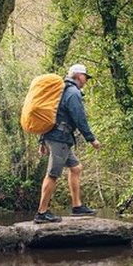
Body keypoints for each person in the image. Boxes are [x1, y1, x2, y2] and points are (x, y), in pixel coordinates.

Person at [34, 63, 102, 223]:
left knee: (76, 168)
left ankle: (77, 206)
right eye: (85, 77)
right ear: (78, 76)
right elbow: (79, 117)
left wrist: (42, 140)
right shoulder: (73, 92)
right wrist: (91, 139)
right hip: (60, 138)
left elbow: (51, 115)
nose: (86, 80)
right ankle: (41, 213)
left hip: (56, 137)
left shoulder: (61, 90)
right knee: (53, 174)